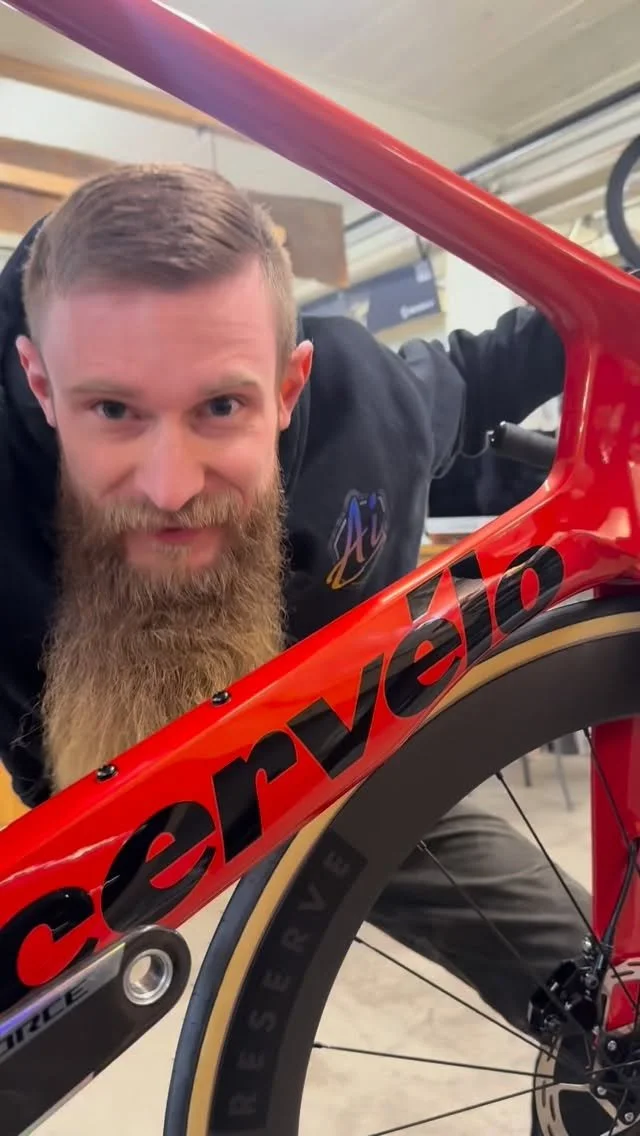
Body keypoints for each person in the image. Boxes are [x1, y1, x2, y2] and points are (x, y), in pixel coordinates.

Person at [0, 163, 586, 1117]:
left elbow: (490, 369)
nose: (170, 486)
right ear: (41, 385)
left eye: (219, 408)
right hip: (85, 821)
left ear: (287, 386)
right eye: (113, 410)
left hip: (330, 748)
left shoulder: (369, 406)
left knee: (595, 979)